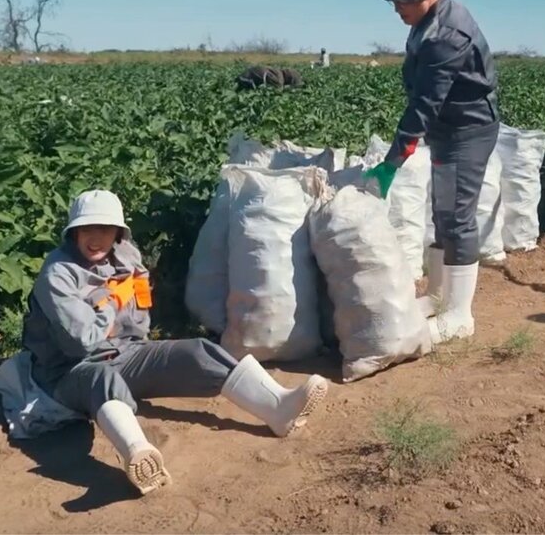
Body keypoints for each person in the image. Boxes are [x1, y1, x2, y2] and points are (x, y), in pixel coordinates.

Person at [22, 189, 328, 495]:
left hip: (125, 352)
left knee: (200, 351)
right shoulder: (58, 274)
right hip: (71, 371)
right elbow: (81, 342)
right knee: (102, 378)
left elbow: (138, 328)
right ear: (74, 231)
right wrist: (112, 301)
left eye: (104, 228)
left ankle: (278, 407)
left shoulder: (126, 255)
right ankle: (139, 454)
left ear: (118, 232)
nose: (95, 237)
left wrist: (137, 297)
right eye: (87, 229)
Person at [364, 0, 499, 344]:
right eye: (392, 2)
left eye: (401, 1)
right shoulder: (429, 20)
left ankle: (459, 316)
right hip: (448, 127)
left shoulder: (446, 34)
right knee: (444, 212)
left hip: (466, 130)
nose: (396, 9)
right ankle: (441, 298)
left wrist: (392, 163)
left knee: (456, 216)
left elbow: (424, 104)